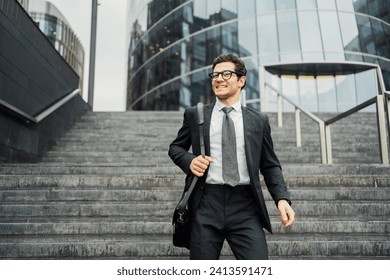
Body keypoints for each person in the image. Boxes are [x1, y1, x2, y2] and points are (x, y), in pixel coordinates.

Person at [168, 53, 295, 260]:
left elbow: (270, 165)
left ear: (241, 80)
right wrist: (190, 161)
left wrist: (282, 199)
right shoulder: (195, 115)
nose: (219, 79)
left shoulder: (258, 121)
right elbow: (175, 148)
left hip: (245, 206)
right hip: (206, 202)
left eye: (226, 74)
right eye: (215, 74)